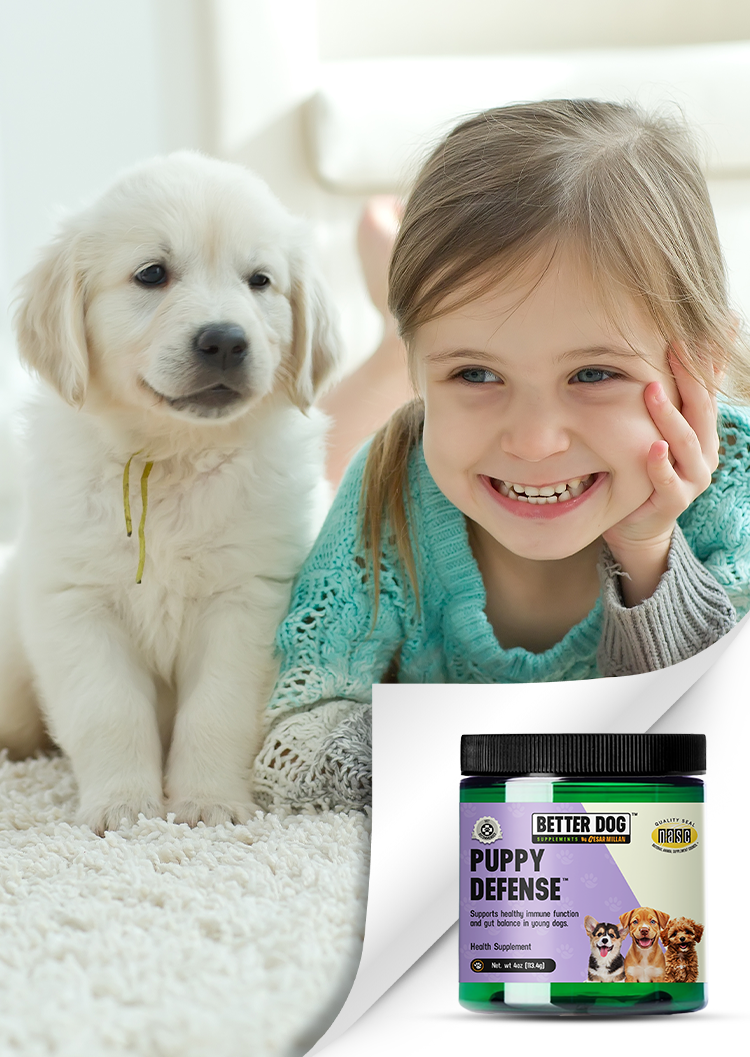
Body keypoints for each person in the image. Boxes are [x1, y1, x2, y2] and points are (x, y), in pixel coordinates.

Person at [253, 99, 750, 811]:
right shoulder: (388, 492)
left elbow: (724, 759)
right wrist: (567, 754)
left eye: (593, 374)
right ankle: (393, 341)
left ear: (695, 366)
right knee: (302, 465)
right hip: (409, 418)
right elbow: (291, 747)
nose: (534, 440)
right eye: (476, 373)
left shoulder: (737, 491)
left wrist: (650, 557)